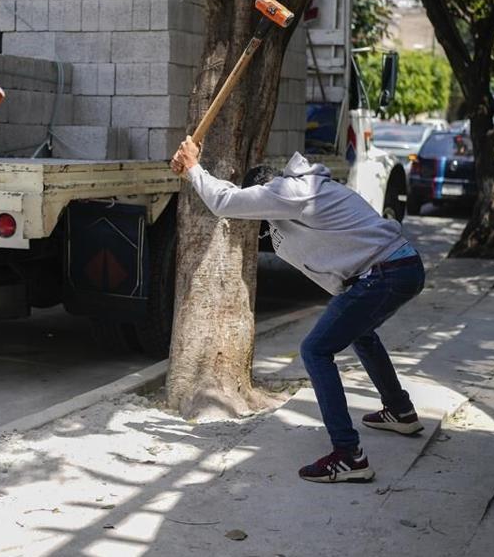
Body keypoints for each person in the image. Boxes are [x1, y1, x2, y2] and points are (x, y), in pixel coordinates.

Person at [170, 139, 424, 483]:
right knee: (360, 333)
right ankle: (400, 410)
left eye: (259, 208)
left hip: (385, 273)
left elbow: (225, 201)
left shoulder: (288, 190)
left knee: (315, 350)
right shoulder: (312, 189)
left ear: (264, 192)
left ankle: (349, 455)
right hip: (399, 267)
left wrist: (193, 167)